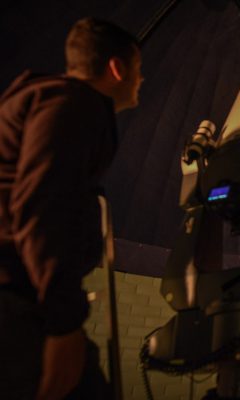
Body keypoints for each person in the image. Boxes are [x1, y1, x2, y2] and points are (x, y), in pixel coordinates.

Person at [0, 18, 143, 400]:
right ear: (117, 68)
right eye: (138, 70)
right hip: (15, 299)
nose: (141, 80)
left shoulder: (53, 101)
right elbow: (44, 205)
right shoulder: (76, 103)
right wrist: (64, 323)